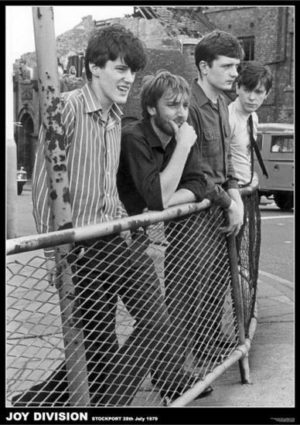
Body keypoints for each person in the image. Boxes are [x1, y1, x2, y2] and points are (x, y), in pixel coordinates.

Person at [12, 24, 166, 408]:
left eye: (133, 71)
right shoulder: (64, 108)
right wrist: (53, 254)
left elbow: (106, 188)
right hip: (78, 251)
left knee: (157, 323)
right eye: (120, 68)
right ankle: (35, 404)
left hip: (114, 241)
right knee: (96, 353)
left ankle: (96, 407)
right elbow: (44, 186)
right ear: (95, 67)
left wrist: (129, 232)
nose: (129, 78)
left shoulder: (115, 118)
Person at [117, 70, 239, 402]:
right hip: (109, 239)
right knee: (109, 331)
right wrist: (182, 151)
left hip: (135, 239)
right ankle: (107, 399)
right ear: (151, 108)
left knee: (154, 320)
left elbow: (199, 184)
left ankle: (165, 379)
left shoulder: (180, 136)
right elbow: (155, 197)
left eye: (184, 105)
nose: (182, 113)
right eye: (172, 105)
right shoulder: (135, 137)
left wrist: (167, 195)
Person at [187, 30, 245, 360]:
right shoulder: (190, 106)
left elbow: (226, 167)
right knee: (191, 287)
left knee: (215, 283)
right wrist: (229, 202)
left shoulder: (221, 104)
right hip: (196, 216)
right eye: (227, 66)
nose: (235, 73)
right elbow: (197, 173)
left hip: (221, 210)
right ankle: (181, 366)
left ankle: (206, 347)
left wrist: (235, 199)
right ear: (205, 67)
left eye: (237, 66)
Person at [228, 60, 273, 187]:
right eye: (247, 90)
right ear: (237, 88)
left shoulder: (253, 116)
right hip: (231, 192)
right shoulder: (228, 118)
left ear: (267, 94)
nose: (252, 98)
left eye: (258, 92)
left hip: (247, 188)